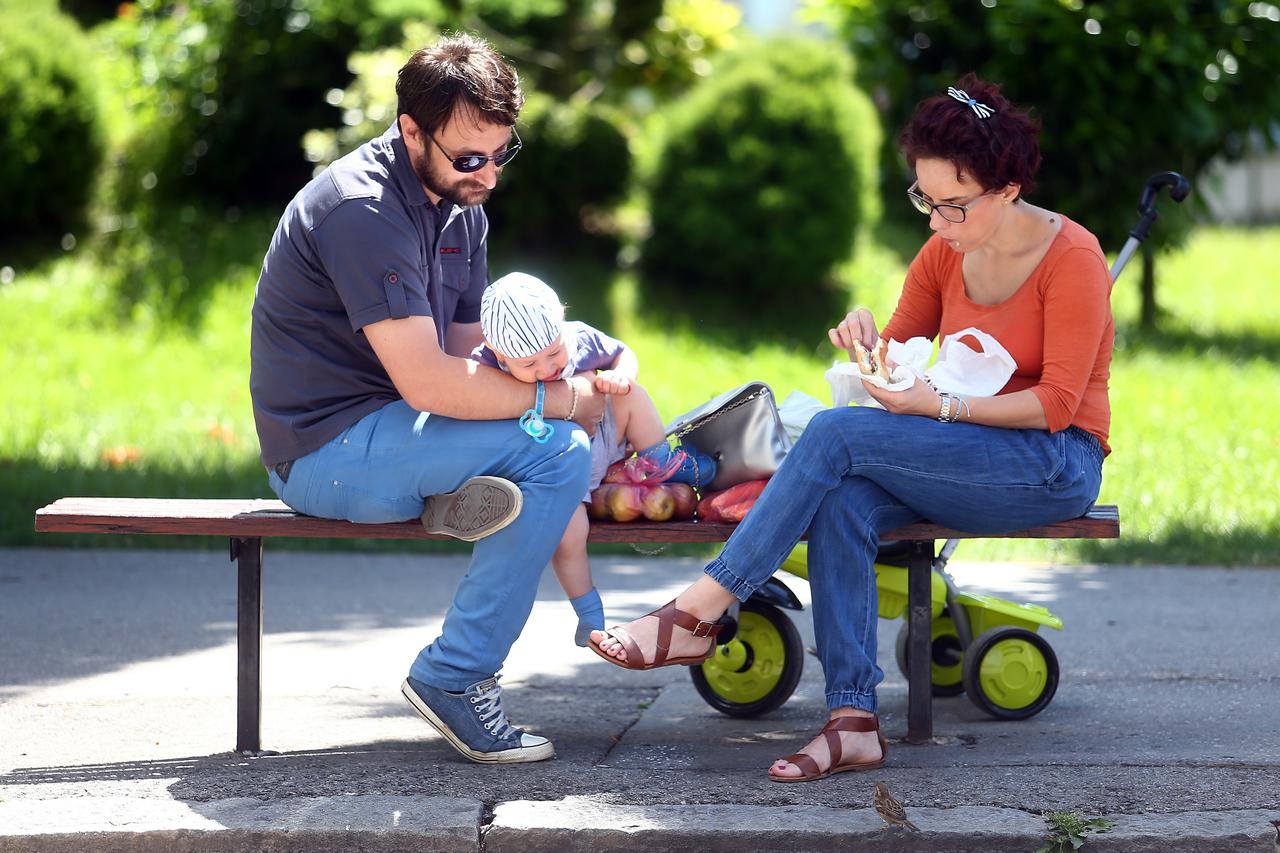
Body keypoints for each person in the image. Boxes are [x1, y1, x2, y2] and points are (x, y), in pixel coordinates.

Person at [588, 75, 1113, 782]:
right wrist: (867, 344)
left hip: (1053, 462)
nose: (935, 222)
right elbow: (894, 364)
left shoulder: (1072, 257)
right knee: (843, 498)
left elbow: (1055, 404)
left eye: (953, 206)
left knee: (835, 437)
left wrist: (939, 407)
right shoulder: (942, 254)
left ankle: (700, 610)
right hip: (965, 453)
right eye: (924, 199)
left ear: (1009, 189)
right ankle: (853, 720)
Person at [249, 33, 607, 765]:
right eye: (470, 158)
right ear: (411, 129)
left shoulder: (460, 203)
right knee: (557, 453)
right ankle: (454, 674)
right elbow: (432, 382)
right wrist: (563, 398)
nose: (489, 176)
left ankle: (453, 489)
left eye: (502, 153)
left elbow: (474, 357)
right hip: (325, 450)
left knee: (543, 444)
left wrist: (562, 358)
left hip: (400, 429)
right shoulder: (362, 209)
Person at [473, 272, 716, 647]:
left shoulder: (579, 339)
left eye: (554, 353)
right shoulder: (485, 369)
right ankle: (588, 611)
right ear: (498, 352)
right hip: (557, 473)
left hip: (602, 439)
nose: (546, 369)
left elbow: (622, 352)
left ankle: (661, 460)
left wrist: (621, 376)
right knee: (567, 536)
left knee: (631, 397)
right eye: (530, 365)